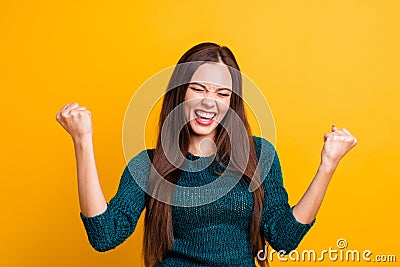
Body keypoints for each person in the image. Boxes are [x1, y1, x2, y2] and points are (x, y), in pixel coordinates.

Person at [55, 42, 357, 267]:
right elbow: (105, 235)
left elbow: (284, 237)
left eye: (222, 93)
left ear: (232, 101)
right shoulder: (149, 165)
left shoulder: (258, 153)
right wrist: (83, 142)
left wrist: (327, 165)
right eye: (198, 89)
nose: (209, 103)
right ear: (180, 92)